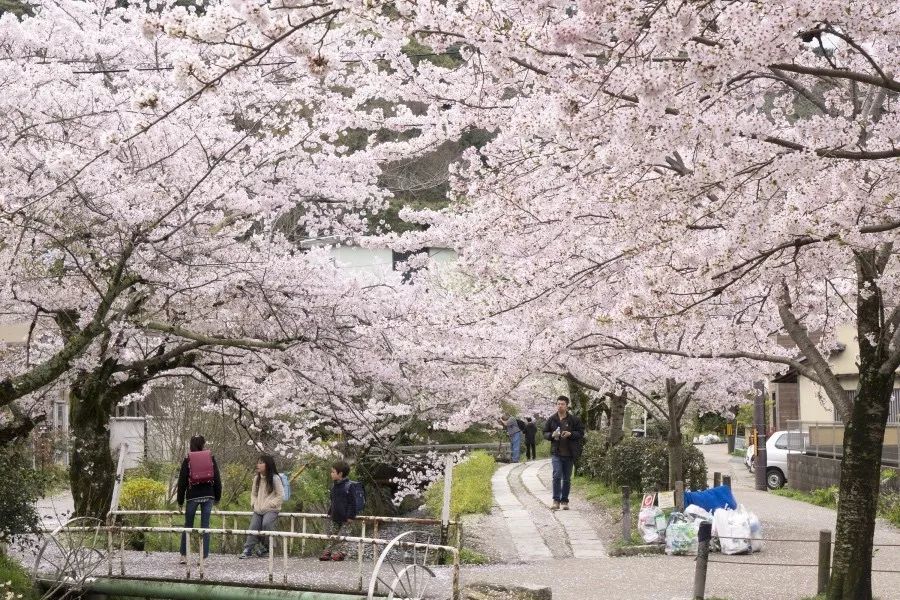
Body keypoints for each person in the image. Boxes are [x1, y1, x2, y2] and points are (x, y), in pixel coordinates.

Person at [176, 435, 222, 563]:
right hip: (208, 495)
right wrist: (217, 497)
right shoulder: (210, 458)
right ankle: (204, 557)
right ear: (203, 444)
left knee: (188, 526)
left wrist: (180, 501)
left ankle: (184, 556)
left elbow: (182, 482)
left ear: (191, 444)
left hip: (192, 496)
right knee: (205, 526)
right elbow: (217, 479)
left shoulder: (188, 459)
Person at [543, 396, 585, 510]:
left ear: (567, 406)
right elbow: (544, 432)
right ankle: (556, 500)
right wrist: (551, 435)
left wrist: (570, 434)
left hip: (569, 454)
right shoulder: (552, 419)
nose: (560, 406)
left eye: (562, 404)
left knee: (566, 478)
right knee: (556, 475)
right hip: (556, 453)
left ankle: (564, 501)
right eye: (558, 404)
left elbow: (581, 433)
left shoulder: (574, 420)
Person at [239, 454, 284, 559]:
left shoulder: (275, 478)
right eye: (258, 462)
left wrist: (271, 504)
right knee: (253, 527)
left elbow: (280, 495)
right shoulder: (257, 479)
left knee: (266, 524)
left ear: (267, 465)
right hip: (258, 509)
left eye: (261, 463)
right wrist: (254, 503)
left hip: (271, 509)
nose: (258, 465)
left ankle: (267, 547)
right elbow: (253, 494)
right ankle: (248, 549)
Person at [320, 460, 355, 562]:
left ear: (340, 474)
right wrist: (330, 512)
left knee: (343, 536)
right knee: (332, 535)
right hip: (335, 515)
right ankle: (328, 551)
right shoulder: (334, 486)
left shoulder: (349, 486)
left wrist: (350, 516)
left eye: (333, 472)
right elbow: (333, 500)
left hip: (346, 517)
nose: (331, 474)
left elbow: (352, 503)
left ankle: (341, 553)